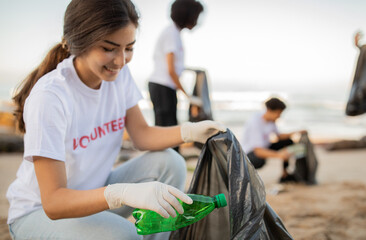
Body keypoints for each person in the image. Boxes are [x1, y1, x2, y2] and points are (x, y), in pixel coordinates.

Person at [6, 1, 225, 239]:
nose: (120, 61)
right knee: (124, 234)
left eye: (129, 48)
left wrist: (190, 131)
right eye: (109, 48)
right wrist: (119, 193)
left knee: (170, 161)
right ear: (79, 43)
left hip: (93, 194)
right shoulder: (51, 97)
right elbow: (54, 202)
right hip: (40, 214)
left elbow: (142, 135)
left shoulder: (118, 76)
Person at [148, 0, 204, 152]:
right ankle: (166, 166)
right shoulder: (171, 34)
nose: (197, 20)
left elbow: (175, 67)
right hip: (162, 86)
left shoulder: (174, 33)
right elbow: (171, 70)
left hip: (165, 86)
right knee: (168, 132)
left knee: (170, 128)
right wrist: (188, 96)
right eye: (196, 16)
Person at [240, 97, 306, 183]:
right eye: (278, 113)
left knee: (288, 142)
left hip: (264, 147)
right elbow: (258, 151)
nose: (279, 116)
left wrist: (296, 132)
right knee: (259, 160)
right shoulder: (255, 122)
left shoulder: (271, 120)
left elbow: (279, 136)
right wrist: (280, 155)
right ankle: (246, 178)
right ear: (269, 110)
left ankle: (285, 175)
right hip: (249, 153)